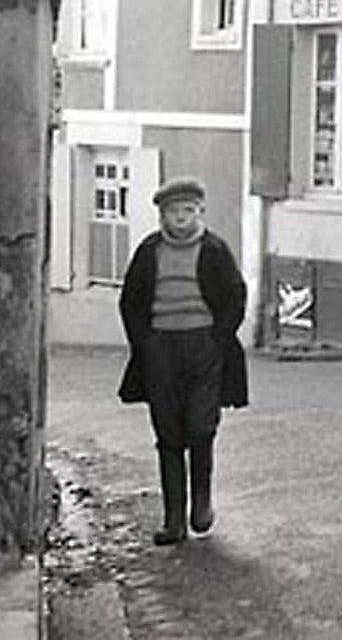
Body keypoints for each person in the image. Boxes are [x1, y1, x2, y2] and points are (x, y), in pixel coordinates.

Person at [117, 175, 249, 546]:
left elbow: (235, 295)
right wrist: (144, 344)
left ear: (199, 212)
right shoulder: (149, 252)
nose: (181, 218)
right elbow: (131, 301)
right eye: (174, 211)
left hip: (203, 347)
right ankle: (174, 519)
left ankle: (201, 504)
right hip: (161, 348)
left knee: (201, 425)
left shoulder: (214, 250)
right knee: (169, 432)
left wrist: (217, 338)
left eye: (188, 211)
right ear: (162, 215)